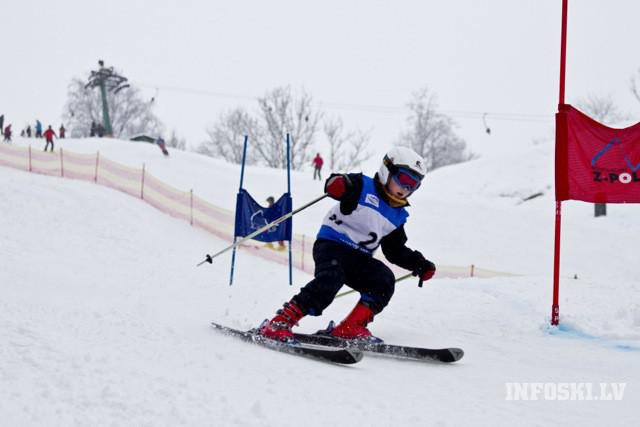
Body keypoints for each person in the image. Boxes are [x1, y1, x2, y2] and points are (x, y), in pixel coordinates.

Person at [259, 146, 436, 342]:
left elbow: (395, 250)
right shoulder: (362, 186)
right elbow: (339, 182)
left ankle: (350, 327)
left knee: (384, 280)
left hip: (359, 258)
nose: (406, 188)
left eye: (414, 185)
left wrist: (419, 263)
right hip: (333, 246)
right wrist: (338, 185)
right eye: (404, 179)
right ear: (388, 170)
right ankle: (279, 323)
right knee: (331, 278)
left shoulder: (398, 215)